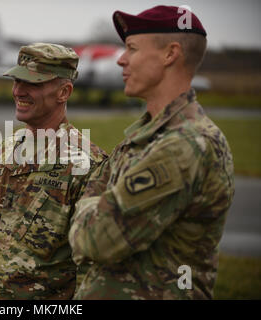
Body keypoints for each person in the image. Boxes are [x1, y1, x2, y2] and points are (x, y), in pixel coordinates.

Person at [69, 6, 235, 299]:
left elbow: (97, 241)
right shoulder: (146, 136)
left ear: (170, 54)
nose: (121, 59)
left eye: (132, 49)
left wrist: (85, 208)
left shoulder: (184, 145)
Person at [0, 43, 107, 299]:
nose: (18, 91)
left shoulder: (88, 165)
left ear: (64, 92)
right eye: (16, 81)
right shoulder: (1, 152)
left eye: (33, 84)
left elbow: (92, 270)